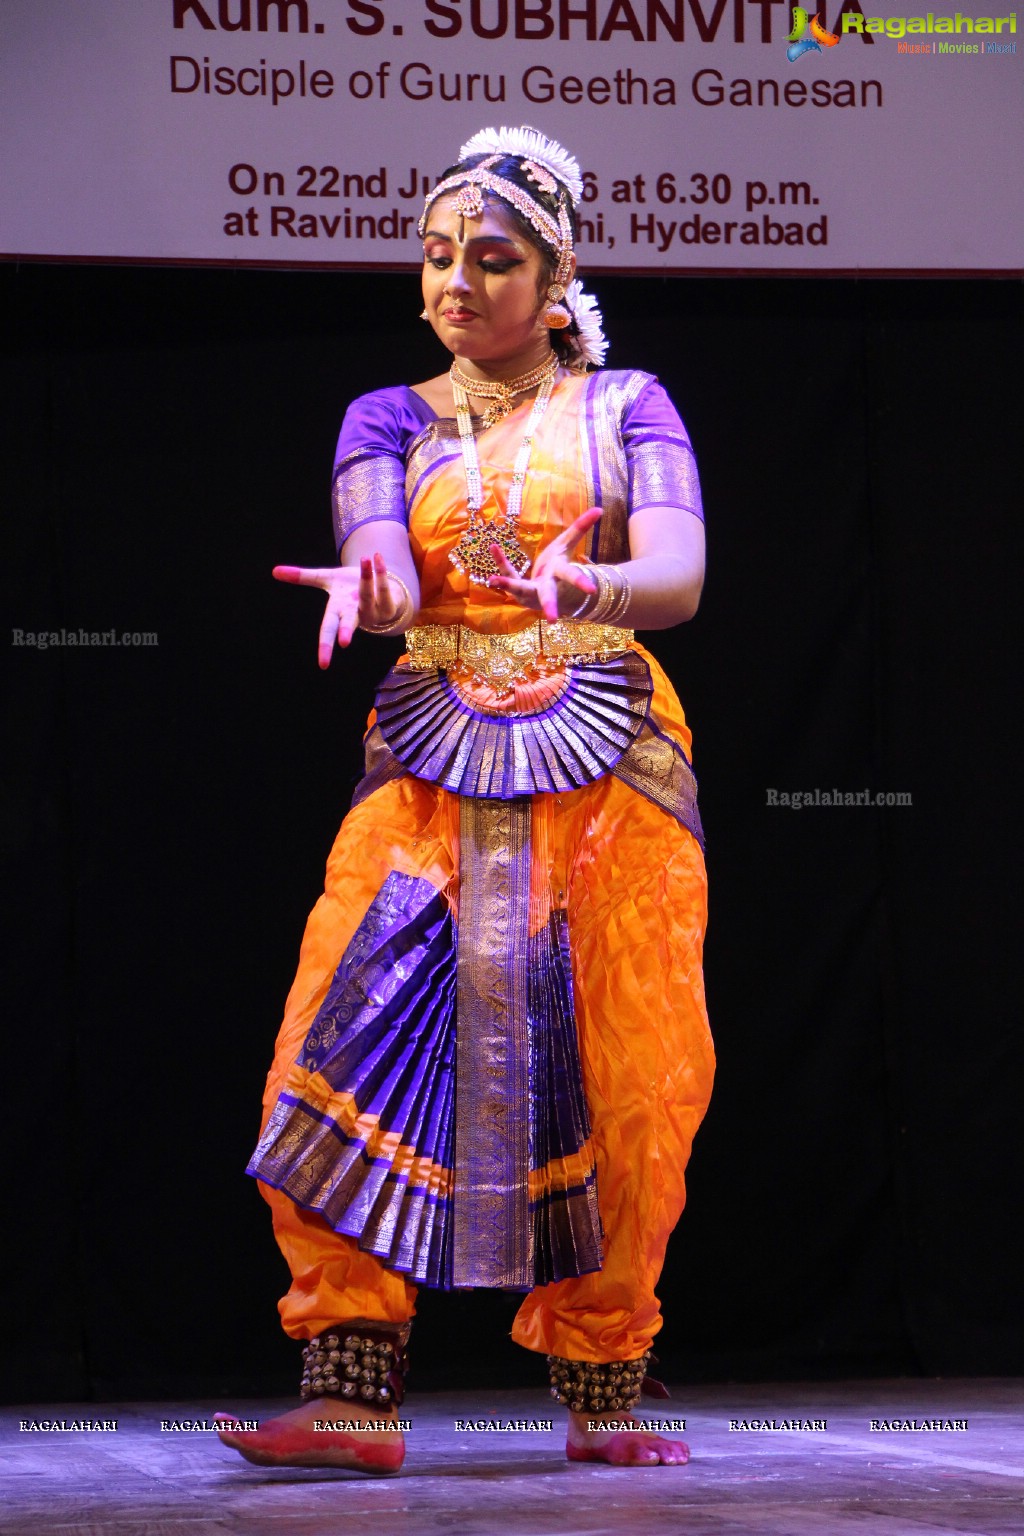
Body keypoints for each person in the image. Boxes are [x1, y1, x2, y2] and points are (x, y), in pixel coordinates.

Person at [216, 125, 714, 1474]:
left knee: (631, 1064)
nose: (454, 282)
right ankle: (350, 1392)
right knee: (342, 1030)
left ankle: (606, 1391)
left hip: (609, 760)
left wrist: (589, 588)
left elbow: (676, 568)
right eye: (436, 256)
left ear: (555, 282)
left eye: (490, 260)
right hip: (432, 760)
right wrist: (369, 586)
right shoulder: (386, 418)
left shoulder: (630, 407)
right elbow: (379, 552)